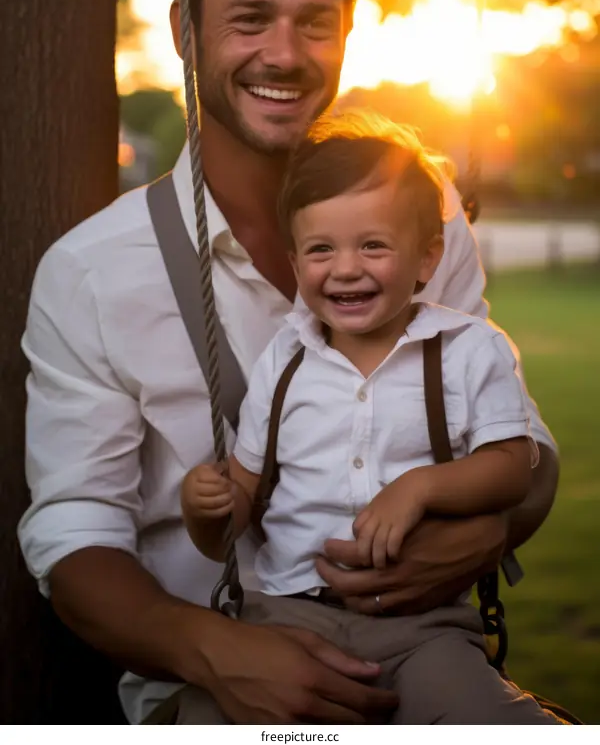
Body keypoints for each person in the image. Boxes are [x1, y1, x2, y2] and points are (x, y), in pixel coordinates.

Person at [18, 0, 558, 725]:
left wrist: (491, 529)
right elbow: (74, 533)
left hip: (421, 662)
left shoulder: (430, 215)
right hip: (218, 690)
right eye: (250, 19)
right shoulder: (93, 272)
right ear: (186, 31)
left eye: (316, 23)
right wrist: (217, 650)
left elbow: (520, 443)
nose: (284, 54)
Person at [180, 111, 558, 724]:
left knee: (486, 722)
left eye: (373, 246)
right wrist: (206, 508)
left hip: (423, 630)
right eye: (321, 249)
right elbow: (241, 499)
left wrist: (420, 486)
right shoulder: (286, 356)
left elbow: (512, 468)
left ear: (427, 257)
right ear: (296, 261)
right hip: (285, 620)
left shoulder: (466, 349)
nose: (347, 268)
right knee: (202, 724)